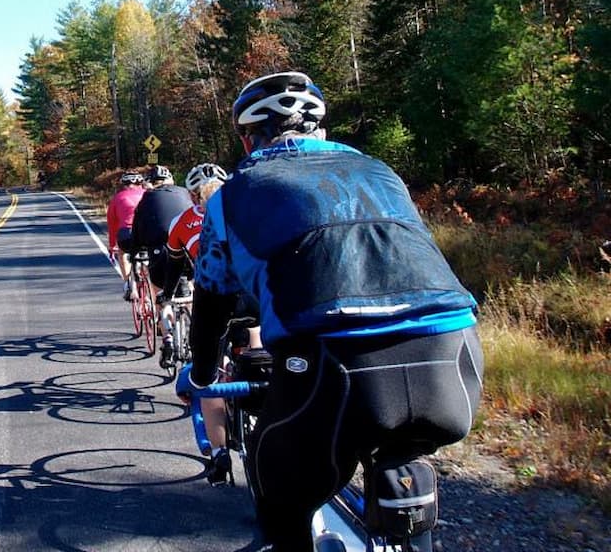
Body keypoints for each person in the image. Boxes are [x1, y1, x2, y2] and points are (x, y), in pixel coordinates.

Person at [179, 71, 484, 552]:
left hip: (335, 367)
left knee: (278, 489)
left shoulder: (233, 196)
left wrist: (199, 374)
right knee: (404, 464)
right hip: (455, 358)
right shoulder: (383, 172)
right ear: (320, 129)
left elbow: (214, 297)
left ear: (247, 138)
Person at [158, 161, 243, 486]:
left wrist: (166, 295)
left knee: (207, 376)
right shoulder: (244, 209)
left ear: (192, 195)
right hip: (255, 299)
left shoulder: (185, 220)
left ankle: (220, 454)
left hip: (214, 296)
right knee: (258, 350)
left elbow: (175, 265)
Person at [130, 165, 192, 367]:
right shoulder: (186, 193)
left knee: (162, 295)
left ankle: (167, 339)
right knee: (189, 287)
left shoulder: (146, 199)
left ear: (150, 183)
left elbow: (137, 234)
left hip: (160, 252)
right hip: (187, 247)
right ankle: (192, 327)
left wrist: (136, 248)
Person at [106, 171, 146, 301]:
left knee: (123, 252)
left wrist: (112, 246)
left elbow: (112, 224)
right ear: (140, 183)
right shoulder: (147, 194)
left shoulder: (117, 198)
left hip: (126, 233)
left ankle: (128, 283)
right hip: (146, 232)